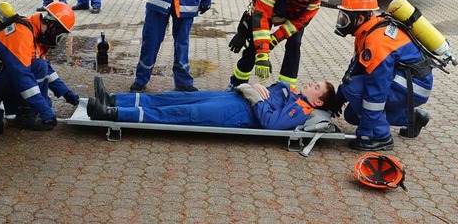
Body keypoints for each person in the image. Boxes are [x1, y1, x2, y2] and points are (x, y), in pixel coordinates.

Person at [332, 0, 433, 151]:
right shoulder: (367, 30)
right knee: (351, 114)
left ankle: (382, 137)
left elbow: (376, 91)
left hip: (414, 87)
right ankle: (412, 118)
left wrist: (365, 133)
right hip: (407, 81)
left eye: (346, 18)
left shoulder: (377, 42)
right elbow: (356, 69)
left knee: (353, 90)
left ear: (360, 17)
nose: (342, 22)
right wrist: (338, 99)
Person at [0, 2, 80, 131]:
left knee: (40, 66)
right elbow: (22, 77)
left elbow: (47, 70)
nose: (58, 40)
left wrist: (66, 92)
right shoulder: (21, 34)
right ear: (54, 28)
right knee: (36, 70)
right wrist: (45, 112)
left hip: (3, 77)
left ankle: (21, 109)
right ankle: (25, 112)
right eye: (60, 36)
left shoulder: (35, 33)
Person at [227, 0, 330, 91]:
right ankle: (236, 84)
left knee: (295, 44)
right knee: (255, 46)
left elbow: (298, 23)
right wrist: (262, 55)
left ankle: (286, 89)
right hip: (267, 8)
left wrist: (274, 40)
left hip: (293, 15)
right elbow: (262, 16)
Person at [88, 77, 336, 130]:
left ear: (318, 101)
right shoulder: (291, 91)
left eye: (316, 87)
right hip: (234, 98)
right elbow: (269, 92)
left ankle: (113, 113)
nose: (312, 83)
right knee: (175, 97)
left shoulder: (301, 109)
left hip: (237, 114)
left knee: (179, 112)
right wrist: (256, 86)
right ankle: (114, 98)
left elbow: (271, 123)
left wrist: (255, 96)